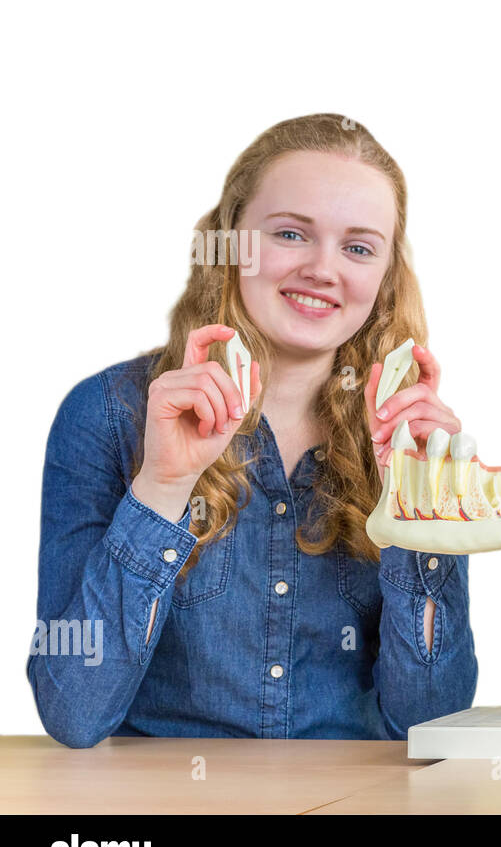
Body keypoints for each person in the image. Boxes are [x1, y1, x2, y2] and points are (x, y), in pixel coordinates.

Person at [30, 113, 476, 748]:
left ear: (384, 279)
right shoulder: (105, 415)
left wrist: (418, 507)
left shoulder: (413, 438)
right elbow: (73, 713)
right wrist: (162, 485)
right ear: (229, 241)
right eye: (291, 233)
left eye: (358, 247)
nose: (324, 269)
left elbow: (432, 725)